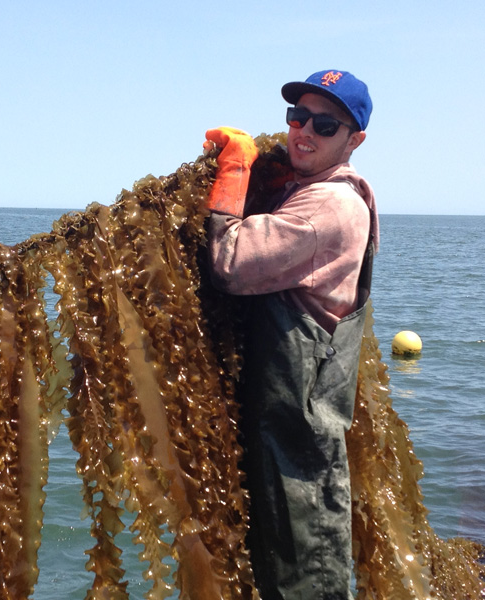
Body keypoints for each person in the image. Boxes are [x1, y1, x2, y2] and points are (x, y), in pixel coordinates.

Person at [203, 70, 377, 599]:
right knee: (286, 550)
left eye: (324, 124)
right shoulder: (315, 192)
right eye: (296, 117)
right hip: (291, 408)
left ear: (354, 140)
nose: (303, 131)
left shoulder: (330, 205)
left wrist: (234, 172)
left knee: (304, 556)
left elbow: (230, 263)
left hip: (300, 416)